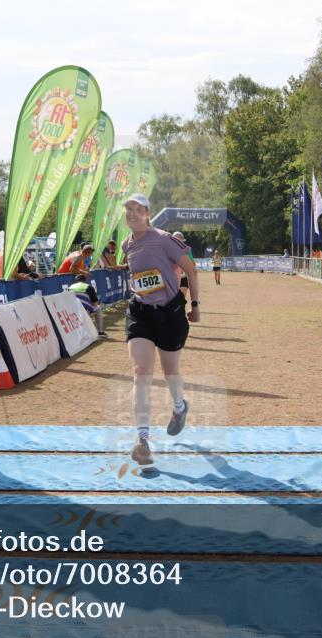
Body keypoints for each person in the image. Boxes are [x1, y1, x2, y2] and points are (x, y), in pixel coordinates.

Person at [121, 193, 199, 466]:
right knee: (141, 371)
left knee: (170, 372)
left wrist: (196, 304)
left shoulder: (165, 239)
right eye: (128, 209)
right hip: (140, 312)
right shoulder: (125, 245)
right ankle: (142, 440)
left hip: (170, 313)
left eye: (137, 209)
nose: (131, 214)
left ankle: (179, 408)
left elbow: (191, 270)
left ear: (147, 213)